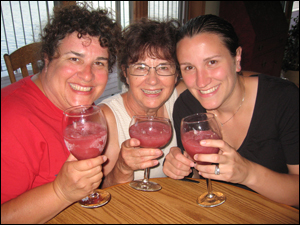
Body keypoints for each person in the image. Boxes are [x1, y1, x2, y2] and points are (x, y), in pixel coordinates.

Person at [1, 4, 122, 223]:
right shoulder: (10, 121)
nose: (87, 76)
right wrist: (60, 192)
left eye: (99, 63)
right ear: (47, 58)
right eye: (74, 59)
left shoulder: (79, 105)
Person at [163, 14, 299, 207]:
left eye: (212, 62)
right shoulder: (186, 108)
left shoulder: (284, 99)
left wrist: (247, 173)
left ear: (237, 58)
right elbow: (198, 178)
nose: (201, 81)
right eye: (189, 67)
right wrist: (183, 168)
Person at [98, 18, 186, 188]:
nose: (152, 81)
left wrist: (186, 166)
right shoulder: (107, 117)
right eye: (140, 68)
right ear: (126, 73)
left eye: (163, 67)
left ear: (176, 75)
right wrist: (122, 167)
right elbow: (101, 192)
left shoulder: (179, 98)